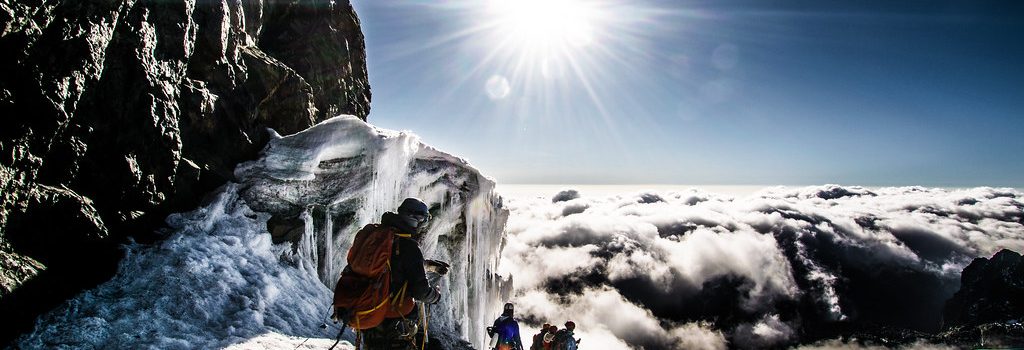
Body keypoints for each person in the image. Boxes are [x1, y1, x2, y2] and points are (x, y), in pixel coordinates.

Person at [361, 198, 442, 350]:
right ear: (415, 219)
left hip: (370, 312)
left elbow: (395, 264)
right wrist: (435, 295)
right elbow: (420, 291)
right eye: (422, 220)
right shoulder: (408, 246)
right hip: (395, 317)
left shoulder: (381, 237)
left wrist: (425, 265)